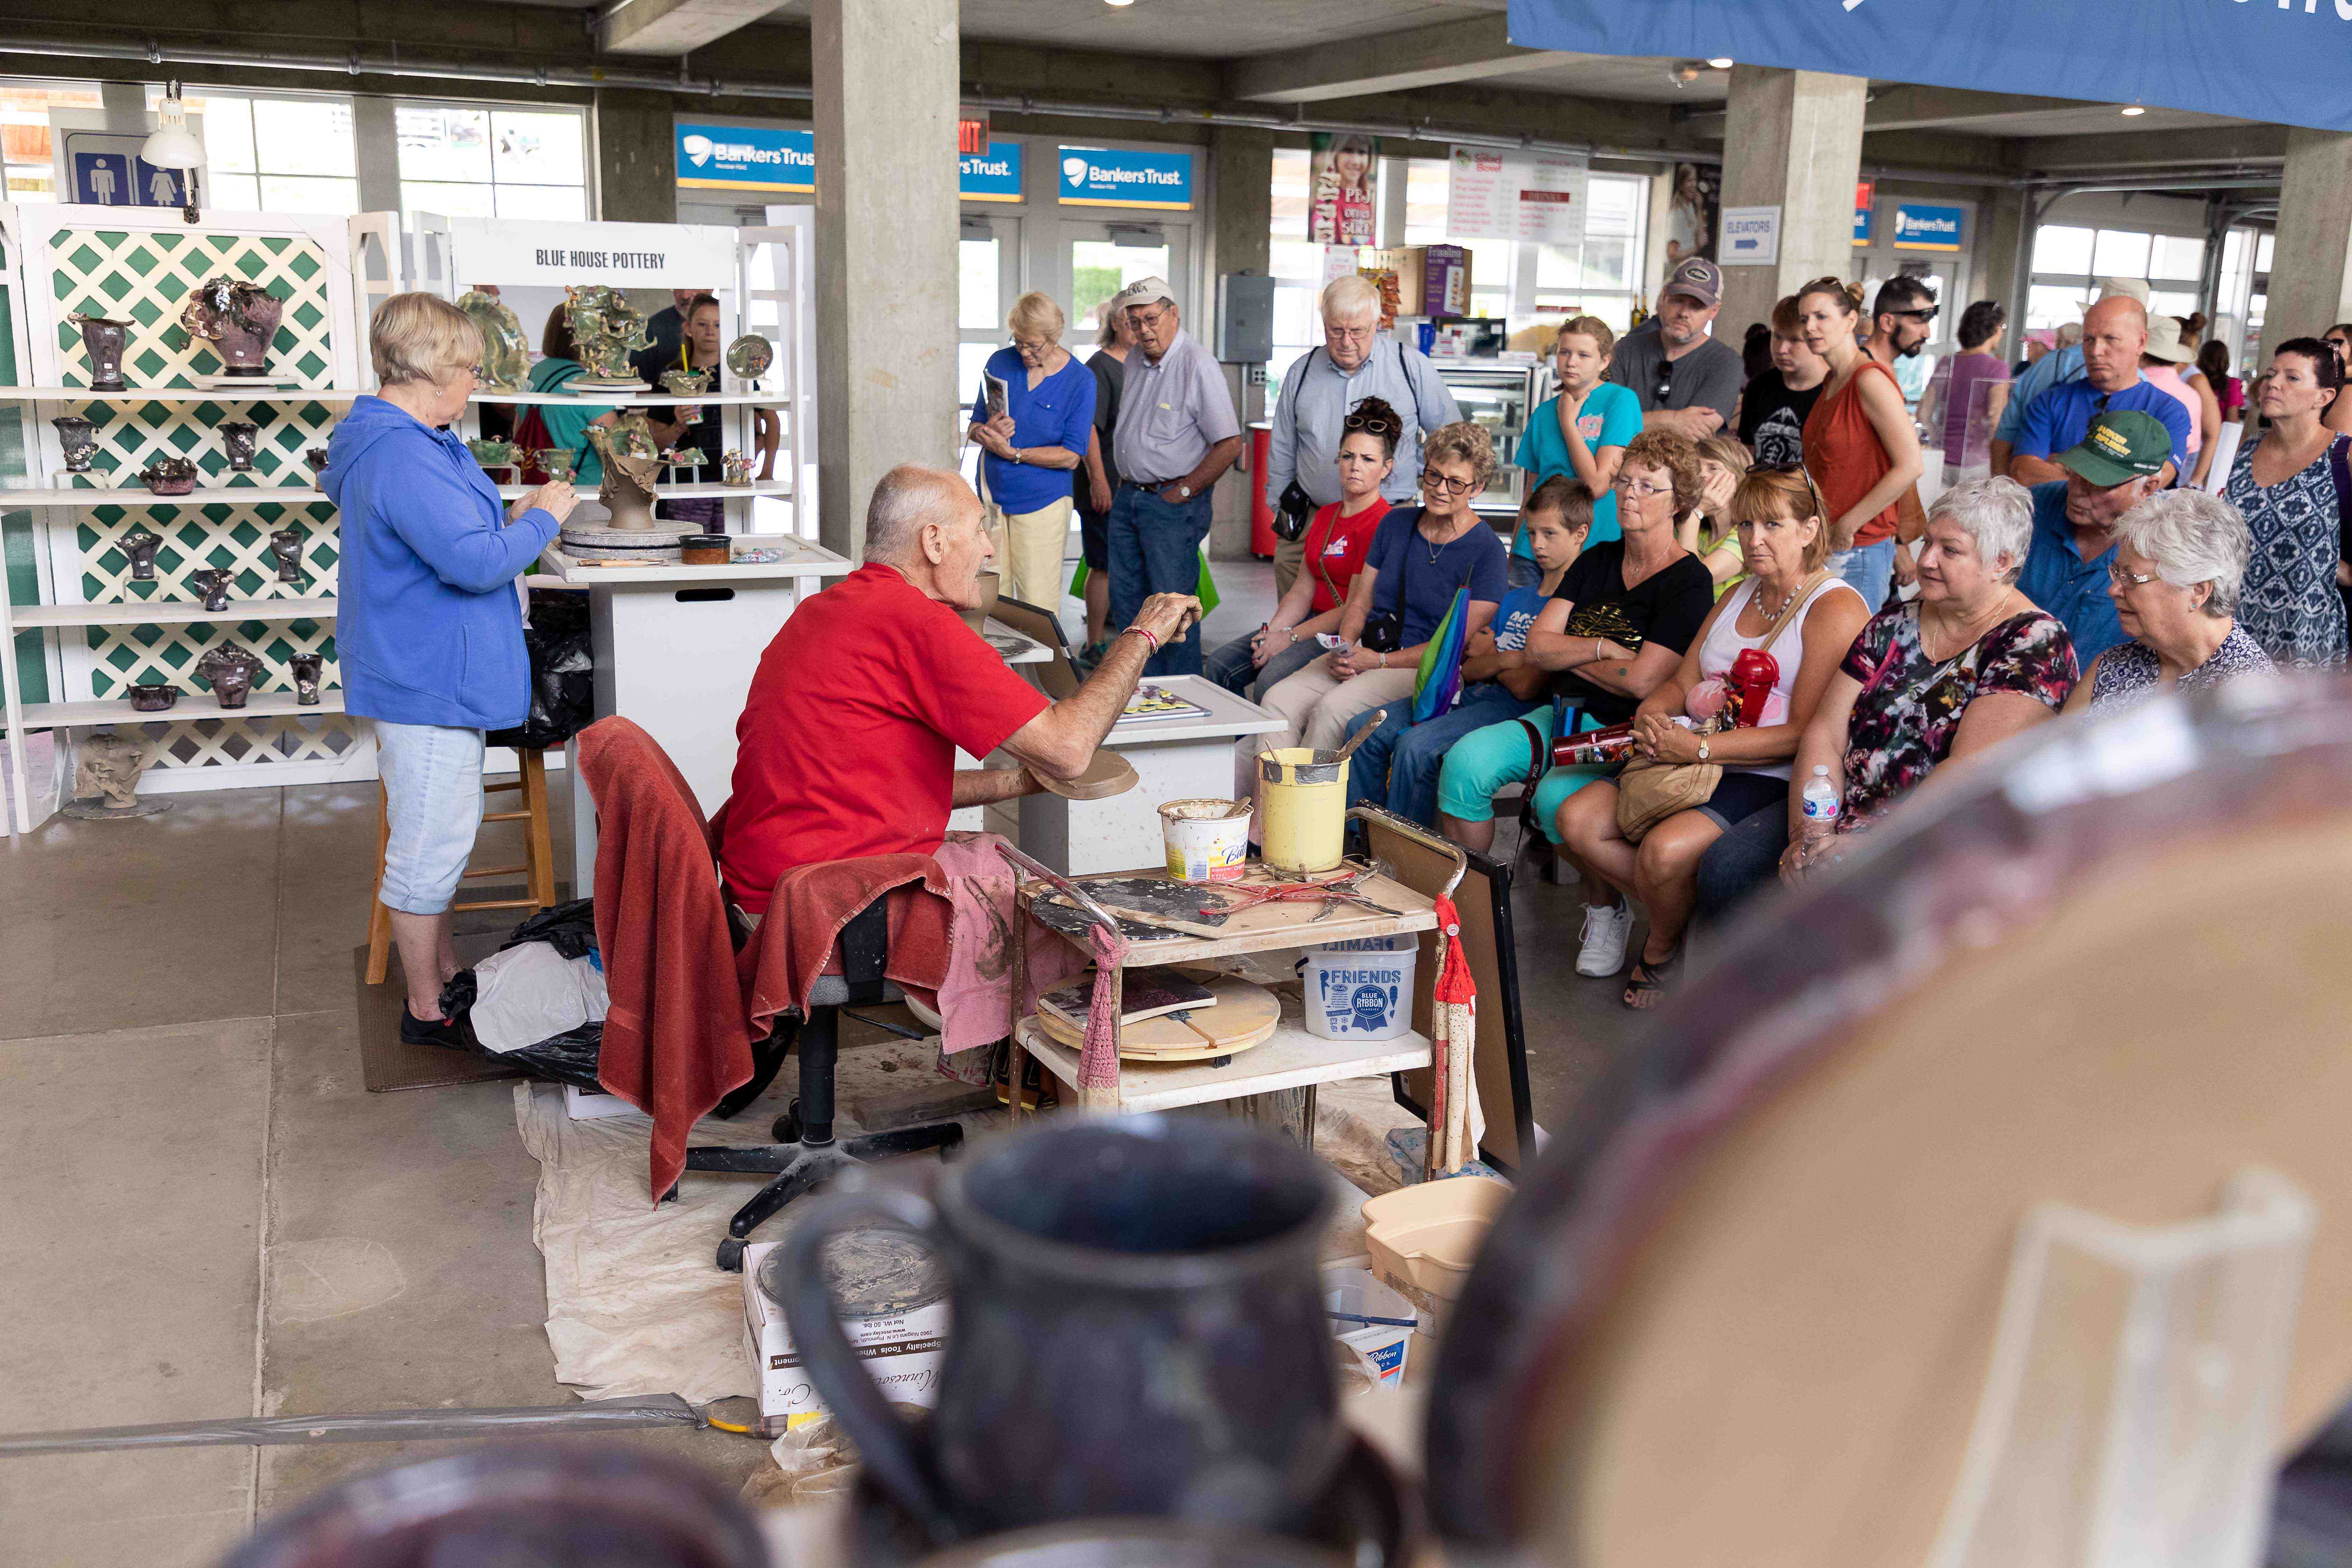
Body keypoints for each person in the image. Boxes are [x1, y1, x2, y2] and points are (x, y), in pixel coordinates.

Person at [721, 465, 1200, 908]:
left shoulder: (825, 609)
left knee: (1004, 868)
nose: (989, 547)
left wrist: (1023, 780)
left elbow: (880, 789)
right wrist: (1142, 635)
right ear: (934, 542)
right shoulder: (914, 622)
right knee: (1054, 913)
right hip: (820, 900)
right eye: (977, 529)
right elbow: (1069, 749)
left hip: (768, 881)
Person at [326, 293, 579, 1044]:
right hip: (426, 676)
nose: (475, 382)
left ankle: (441, 976)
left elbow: (453, 540)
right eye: (469, 368)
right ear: (432, 367)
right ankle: (426, 1009)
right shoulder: (402, 452)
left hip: (428, 669)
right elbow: (473, 563)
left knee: (440, 833)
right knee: (430, 845)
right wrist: (542, 518)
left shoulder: (418, 440)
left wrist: (510, 523)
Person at [1557, 466, 1869, 1006]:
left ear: (1810, 530)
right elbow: (1681, 681)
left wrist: (1696, 747)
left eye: (1773, 524)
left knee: (1662, 853)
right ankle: (1678, 912)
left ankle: (1660, 945)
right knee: (1575, 821)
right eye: (1746, 525)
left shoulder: (1834, 607)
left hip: (1767, 772)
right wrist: (1654, 716)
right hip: (1691, 753)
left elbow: (1805, 733)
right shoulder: (1737, 594)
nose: (1754, 539)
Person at [1434, 430, 1716, 976]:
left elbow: (1642, 684)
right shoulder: (1599, 560)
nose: (1630, 495)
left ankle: (1610, 909)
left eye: (1649, 487)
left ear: (1678, 502)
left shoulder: (1689, 581)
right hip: (1560, 714)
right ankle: (1473, 916)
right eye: (1626, 481)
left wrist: (1568, 655)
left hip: (1624, 733)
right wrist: (1603, 650)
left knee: (1553, 805)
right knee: (1463, 765)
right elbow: (1537, 646)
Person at [1776, 478, 2077, 887]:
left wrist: (1870, 849)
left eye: (1949, 550)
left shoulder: (2034, 642)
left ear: (2001, 563)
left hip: (1933, 845)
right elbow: (1826, 731)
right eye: (1927, 542)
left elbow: (1967, 773)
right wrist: (1811, 838)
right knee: (1731, 868)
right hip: (1839, 821)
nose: (1927, 560)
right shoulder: (1893, 621)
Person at [1245, 422, 1505, 784]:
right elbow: (1360, 601)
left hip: (1423, 668)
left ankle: (1309, 825)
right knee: (1278, 699)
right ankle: (1265, 823)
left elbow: (1450, 649)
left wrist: (1378, 661)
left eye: (1455, 482)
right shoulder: (1396, 524)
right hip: (1367, 650)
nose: (1440, 489)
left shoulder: (1488, 551)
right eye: (1433, 475)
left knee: (1330, 711)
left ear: (1477, 488)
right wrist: (1347, 646)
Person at [1343, 478, 1593, 826]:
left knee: (1417, 747)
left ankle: (1400, 861)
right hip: (1475, 692)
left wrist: (1500, 657)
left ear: (1580, 534)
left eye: (1549, 534)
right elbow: (1471, 666)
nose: (1537, 544)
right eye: (1532, 533)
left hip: (1515, 709)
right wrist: (1514, 657)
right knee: (1363, 729)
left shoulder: (1574, 605)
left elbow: (1525, 686)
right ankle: (1362, 839)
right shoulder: (1517, 597)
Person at [1264, 274, 1460, 598]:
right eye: (1335, 331)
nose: (1345, 342)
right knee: (1295, 622)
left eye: (1357, 331)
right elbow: (1283, 448)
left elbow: (1450, 440)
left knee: (1375, 620)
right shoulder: (1302, 371)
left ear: (1377, 323)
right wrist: (1283, 514)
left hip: (1391, 520)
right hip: (1312, 521)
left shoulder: (1410, 367)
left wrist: (1429, 490)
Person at [1205, 396, 1400, 700]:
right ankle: (1229, 748)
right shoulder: (1325, 514)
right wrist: (1274, 632)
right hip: (1307, 621)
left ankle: (1264, 747)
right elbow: (1302, 589)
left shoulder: (1383, 524)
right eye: (1348, 456)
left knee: (1269, 680)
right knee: (1219, 665)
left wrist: (1290, 637)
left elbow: (1355, 607)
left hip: (1342, 633)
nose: (1355, 467)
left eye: (1368, 459)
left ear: (1387, 468)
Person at [1107, 276, 1242, 676]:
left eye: (1151, 319)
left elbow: (1230, 443)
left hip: (1171, 504)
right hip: (1130, 497)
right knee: (1128, 603)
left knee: (1173, 611)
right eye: (1135, 322)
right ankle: (1134, 693)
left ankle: (1182, 697)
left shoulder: (1197, 364)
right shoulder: (1135, 359)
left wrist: (1183, 491)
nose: (1143, 330)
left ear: (1173, 313)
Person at [2062, 490, 2272, 715]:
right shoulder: (2112, 667)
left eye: (2131, 578)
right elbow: (2057, 750)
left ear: (2197, 592)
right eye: (2117, 572)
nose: (2113, 590)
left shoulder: (2251, 697)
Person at [1795, 276, 1925, 612]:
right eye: (1804, 319)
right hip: (1828, 540)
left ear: (1851, 321)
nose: (1810, 327)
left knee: (1848, 657)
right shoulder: (1832, 379)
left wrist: (1849, 525)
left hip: (1859, 546)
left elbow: (1911, 464)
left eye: (1821, 317)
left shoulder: (1868, 379)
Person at [2226, 339, 2351, 671]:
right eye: (2271, 374)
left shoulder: (2344, 456)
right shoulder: (2239, 453)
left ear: (2324, 397)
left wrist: (2337, 568)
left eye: (2292, 378)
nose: (2273, 384)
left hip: (2305, 640)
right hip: (2231, 631)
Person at [966, 291, 1094, 610]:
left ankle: (1037, 663)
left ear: (1054, 338)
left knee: (1037, 603)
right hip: (992, 498)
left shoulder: (1081, 380)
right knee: (991, 598)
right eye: (1018, 341)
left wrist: (1015, 454)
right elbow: (974, 426)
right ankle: (994, 664)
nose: (1023, 351)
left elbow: (1071, 456)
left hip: (1043, 503)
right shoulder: (1000, 362)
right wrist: (988, 432)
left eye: (1032, 345)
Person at [2015, 410, 2172, 670]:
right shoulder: (2031, 508)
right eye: (2076, 474)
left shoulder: (2166, 549)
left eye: (2098, 484)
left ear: (2147, 488)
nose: (2076, 492)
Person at [2008, 296, 2191, 489]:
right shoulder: (2050, 402)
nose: (2095, 351)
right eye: (2089, 339)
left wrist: (2064, 466)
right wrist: (2117, 475)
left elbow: (2154, 481)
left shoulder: (2169, 412)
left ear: (2141, 342)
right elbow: (2024, 472)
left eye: (2111, 339)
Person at [637, 293, 781, 528]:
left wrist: (767, 472)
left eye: (718, 325)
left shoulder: (739, 378)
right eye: (702, 324)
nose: (710, 331)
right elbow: (653, 446)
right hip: (686, 487)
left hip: (732, 483)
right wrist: (678, 426)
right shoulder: (673, 378)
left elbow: (772, 420)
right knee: (688, 555)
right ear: (688, 328)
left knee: (732, 552)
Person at [1513, 314, 1639, 575]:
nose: (1571, 362)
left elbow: (1596, 486)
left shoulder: (1621, 401)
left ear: (1604, 361)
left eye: (1584, 355)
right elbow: (1529, 494)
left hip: (1592, 548)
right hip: (1533, 552)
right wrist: (1515, 551)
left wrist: (1569, 423)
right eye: (1564, 353)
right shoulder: (1544, 412)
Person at [1989, 280, 2144, 477]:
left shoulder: (2046, 365)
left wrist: (2001, 490)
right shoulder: (2143, 386)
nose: (2096, 354)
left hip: (2033, 492)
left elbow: (2004, 437)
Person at [1608, 258, 1744, 440]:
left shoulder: (1726, 363)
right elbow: (1601, 421)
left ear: (1714, 311)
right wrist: (1674, 420)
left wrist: (1631, 423)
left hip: (1688, 467)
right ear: (1663, 298)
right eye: (1677, 301)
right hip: (1620, 464)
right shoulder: (1626, 349)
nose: (1684, 313)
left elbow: (1699, 432)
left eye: (1697, 306)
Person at [1073, 307, 1134, 663]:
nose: (1139, 330)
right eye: (1131, 322)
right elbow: (1089, 429)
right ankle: (1095, 643)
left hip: (1131, 486)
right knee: (1104, 564)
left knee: (1123, 565)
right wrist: (1098, 479)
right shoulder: (1100, 368)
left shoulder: (1138, 365)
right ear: (1114, 323)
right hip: (1104, 485)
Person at [526, 305, 621, 486]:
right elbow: (615, 450)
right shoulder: (586, 383)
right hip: (583, 491)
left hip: (537, 485)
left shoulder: (535, 373)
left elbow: (519, 427)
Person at [1918, 300, 2011, 476]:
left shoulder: (1947, 362)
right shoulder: (1998, 368)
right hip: (1977, 463)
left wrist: (1937, 440)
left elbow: (1923, 412)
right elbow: (1995, 418)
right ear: (1995, 329)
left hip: (1941, 461)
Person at [1738, 294, 1830, 470]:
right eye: (1777, 337)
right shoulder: (1758, 388)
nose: (1781, 349)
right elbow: (1746, 451)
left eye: (1795, 340)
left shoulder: (1835, 391)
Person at [2140, 314, 2220, 489]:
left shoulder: (2195, 381)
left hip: (2174, 472)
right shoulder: (2188, 391)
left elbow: (2212, 434)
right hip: (2175, 468)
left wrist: (2195, 482)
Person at [1680, 435, 1752, 591]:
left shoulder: (1746, 535)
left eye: (1713, 468)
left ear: (1739, 479)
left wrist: (1696, 511)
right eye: (1697, 469)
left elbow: (1690, 581)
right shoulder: (1695, 529)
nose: (1702, 475)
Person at [1863, 276, 1938, 382]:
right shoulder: (1867, 375)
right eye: (1919, 323)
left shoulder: (1883, 368)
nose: (1927, 334)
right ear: (1887, 323)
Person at [1308, 133, 1376, 247]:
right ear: (1335, 155)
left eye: (1362, 153)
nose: (1355, 161)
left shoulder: (1373, 200)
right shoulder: (1327, 200)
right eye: (1348, 151)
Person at [642, 287, 708, 365]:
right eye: (678, 287)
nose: (685, 296)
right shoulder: (652, 328)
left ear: (711, 289)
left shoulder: (725, 321)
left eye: (692, 287)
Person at [2198, 339, 2244, 423]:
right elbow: (2232, 420)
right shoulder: (2233, 385)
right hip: (2220, 434)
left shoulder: (2194, 382)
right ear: (2225, 361)